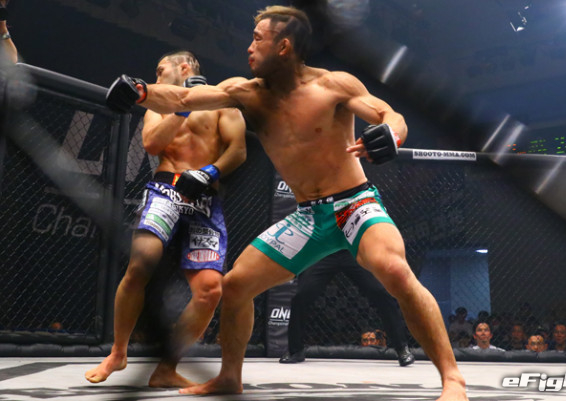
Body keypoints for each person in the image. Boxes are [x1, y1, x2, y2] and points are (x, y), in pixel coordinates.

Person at [104, 6, 468, 400]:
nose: (248, 48)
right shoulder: (247, 93)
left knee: (394, 270)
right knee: (235, 286)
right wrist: (142, 92)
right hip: (308, 216)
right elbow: (184, 96)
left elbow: (387, 113)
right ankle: (229, 378)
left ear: (284, 47)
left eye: (257, 39)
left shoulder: (333, 85)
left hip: (353, 203)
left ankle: (452, 379)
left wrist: (391, 134)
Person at [85, 50, 246, 388]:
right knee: (140, 265)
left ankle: (166, 368)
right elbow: (152, 143)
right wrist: (183, 106)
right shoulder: (157, 104)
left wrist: (210, 172)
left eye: (160, 70)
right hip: (165, 190)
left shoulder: (222, 102)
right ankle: (117, 353)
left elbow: (238, 150)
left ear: (183, 67)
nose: (156, 77)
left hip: (204, 199)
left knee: (209, 291)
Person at [279, 250, 415, 366]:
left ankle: (402, 348)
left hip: (354, 251)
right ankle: (295, 350)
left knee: (381, 293)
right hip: (325, 251)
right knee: (301, 295)